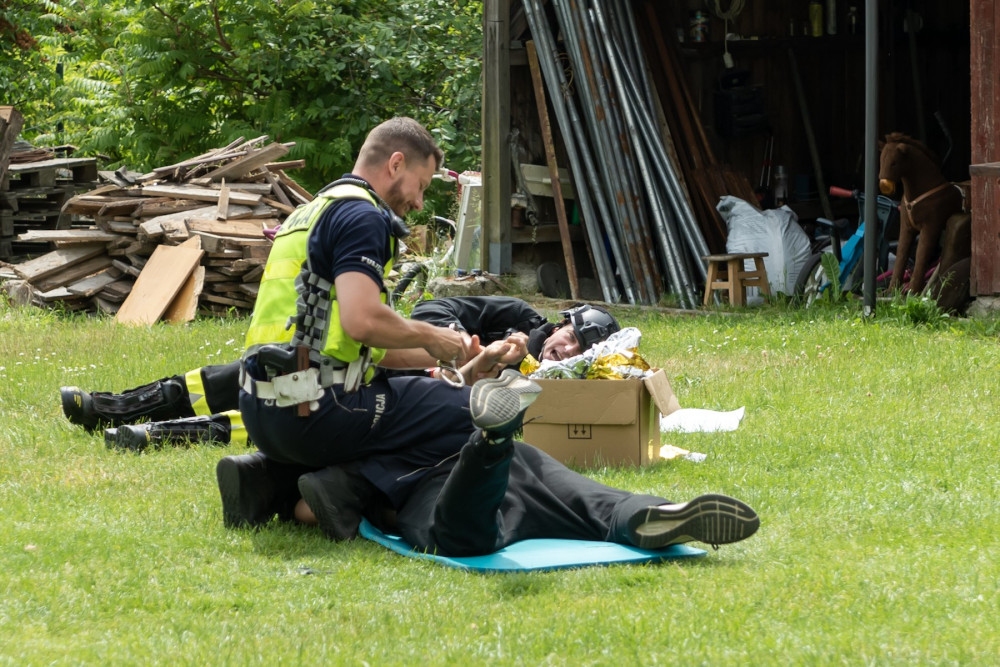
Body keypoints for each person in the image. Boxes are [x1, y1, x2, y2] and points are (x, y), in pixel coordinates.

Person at [224, 370, 761, 555]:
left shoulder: (365, 411)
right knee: (599, 505)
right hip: (516, 463)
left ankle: (493, 440)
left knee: (459, 533)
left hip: (456, 472)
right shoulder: (403, 400)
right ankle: (656, 512)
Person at [59, 298, 620, 450]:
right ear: (562, 323)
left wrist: (474, 367)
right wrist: (452, 344)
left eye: (578, 348)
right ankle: (119, 404)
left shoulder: (546, 383)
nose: (564, 347)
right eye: (569, 334)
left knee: (305, 408)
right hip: (406, 352)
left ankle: (150, 435)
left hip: (415, 391)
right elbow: (437, 309)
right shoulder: (519, 319)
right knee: (244, 373)